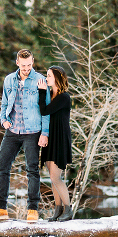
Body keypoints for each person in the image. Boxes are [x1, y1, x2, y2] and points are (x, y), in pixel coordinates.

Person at [0, 49, 49, 222]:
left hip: (32, 131)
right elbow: (4, 103)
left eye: (29, 65)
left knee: (32, 170)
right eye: (24, 65)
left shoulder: (40, 80)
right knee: (2, 166)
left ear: (33, 61)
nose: (27, 68)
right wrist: (3, 119)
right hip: (12, 131)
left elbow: (46, 110)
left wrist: (45, 133)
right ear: (17, 63)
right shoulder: (9, 80)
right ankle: (0, 208)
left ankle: (33, 209)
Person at [37, 66, 73, 222]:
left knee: (56, 177)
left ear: (57, 78)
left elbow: (44, 111)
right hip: (50, 138)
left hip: (59, 139)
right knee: (52, 178)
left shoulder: (64, 97)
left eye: (49, 75)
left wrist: (41, 91)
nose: (46, 78)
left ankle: (68, 209)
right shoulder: (51, 95)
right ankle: (58, 210)